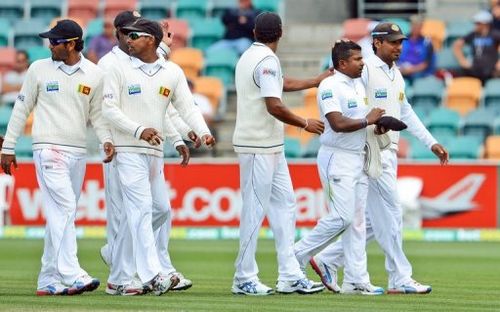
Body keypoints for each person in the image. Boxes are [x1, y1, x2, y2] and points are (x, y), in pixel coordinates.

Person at [310, 22, 449, 295]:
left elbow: (405, 111)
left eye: (400, 42)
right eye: (393, 42)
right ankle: (399, 277)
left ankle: (328, 259)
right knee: (392, 214)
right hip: (370, 152)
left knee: (375, 221)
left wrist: (430, 142)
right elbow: (348, 100)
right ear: (377, 43)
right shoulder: (364, 70)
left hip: (388, 150)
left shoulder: (396, 75)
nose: (398, 47)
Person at [0, 19, 114, 296]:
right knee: (63, 209)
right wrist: (8, 147)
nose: (49, 46)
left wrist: (107, 139)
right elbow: (21, 108)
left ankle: (48, 279)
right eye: (49, 41)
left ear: (72, 44)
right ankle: (72, 272)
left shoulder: (94, 74)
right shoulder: (39, 69)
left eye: (55, 41)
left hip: (77, 152)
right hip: (47, 148)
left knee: (62, 214)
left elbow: (98, 114)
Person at [102, 18, 215, 296]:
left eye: (135, 36)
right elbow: (108, 110)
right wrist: (139, 130)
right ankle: (153, 275)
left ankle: (117, 268)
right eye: (127, 36)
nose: (128, 40)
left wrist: (202, 131)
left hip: (154, 152)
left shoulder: (172, 72)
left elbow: (185, 108)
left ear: (151, 39)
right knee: (139, 211)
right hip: (127, 149)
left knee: (161, 210)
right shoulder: (118, 67)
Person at [231, 12, 331, 295]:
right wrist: (305, 122)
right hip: (257, 145)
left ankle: (289, 275)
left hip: (269, 146)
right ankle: (243, 277)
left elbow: (280, 85)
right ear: (281, 33)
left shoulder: (251, 56)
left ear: (253, 32)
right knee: (254, 211)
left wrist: (315, 80)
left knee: (286, 204)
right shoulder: (265, 60)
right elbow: (274, 105)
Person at [294, 40, 385, 295]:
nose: (362, 62)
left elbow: (362, 119)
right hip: (337, 157)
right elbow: (337, 123)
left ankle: (356, 280)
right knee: (342, 217)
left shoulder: (358, 84)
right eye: (357, 59)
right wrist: (369, 119)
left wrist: (378, 124)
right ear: (342, 63)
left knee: (356, 221)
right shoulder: (329, 85)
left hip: (359, 156)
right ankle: (296, 255)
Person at [453, 10, 500, 83]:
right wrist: (462, 60)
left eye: (478, 23)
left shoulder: (494, 34)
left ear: (485, 24)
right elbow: (457, 44)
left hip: (491, 69)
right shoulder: (473, 34)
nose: (475, 25)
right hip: (475, 68)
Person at [398, 15, 435, 82]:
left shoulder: (427, 42)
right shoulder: (402, 40)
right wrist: (400, 69)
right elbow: (395, 58)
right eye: (414, 25)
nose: (415, 27)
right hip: (401, 69)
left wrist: (411, 70)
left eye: (418, 25)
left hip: (419, 73)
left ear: (421, 27)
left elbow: (426, 64)